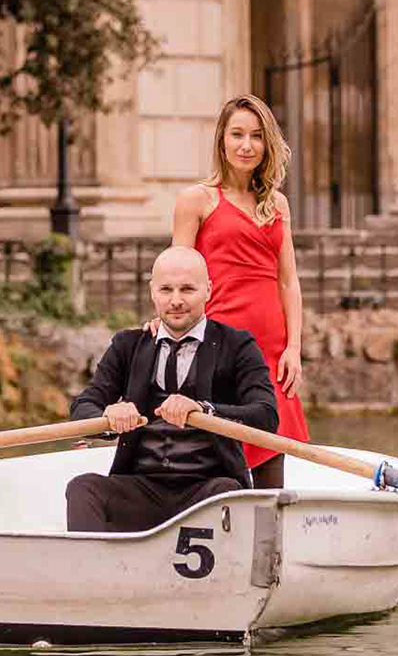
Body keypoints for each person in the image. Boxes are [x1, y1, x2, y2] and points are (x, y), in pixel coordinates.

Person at [65, 246, 279, 533]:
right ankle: (95, 575)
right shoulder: (127, 345)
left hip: (208, 489)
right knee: (83, 488)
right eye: (166, 290)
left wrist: (205, 410)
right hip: (141, 488)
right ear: (153, 292)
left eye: (187, 289)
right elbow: (81, 409)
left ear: (208, 291)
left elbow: (266, 416)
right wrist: (110, 416)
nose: (176, 300)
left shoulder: (237, 344)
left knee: (226, 494)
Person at [169, 94, 308, 490]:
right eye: (237, 135)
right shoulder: (195, 200)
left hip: (271, 347)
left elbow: (288, 281)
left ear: (267, 145)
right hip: (219, 344)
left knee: (270, 462)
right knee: (217, 451)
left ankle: (270, 549)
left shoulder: (276, 204)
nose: (247, 145)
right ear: (222, 140)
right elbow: (176, 272)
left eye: (257, 136)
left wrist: (294, 347)